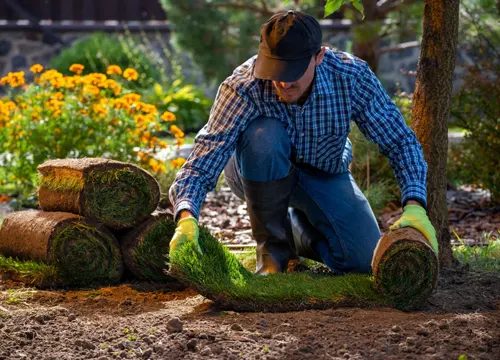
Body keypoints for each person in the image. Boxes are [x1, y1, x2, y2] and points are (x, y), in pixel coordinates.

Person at [169, 10, 438, 275]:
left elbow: (400, 140)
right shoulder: (244, 85)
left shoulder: (350, 77)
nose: (284, 81)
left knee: (361, 260)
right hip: (255, 171)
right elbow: (205, 155)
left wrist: (414, 204)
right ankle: (274, 253)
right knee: (264, 134)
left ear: (319, 56)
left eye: (293, 69)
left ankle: (299, 230)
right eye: (275, 68)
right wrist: (186, 215)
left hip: (322, 172)